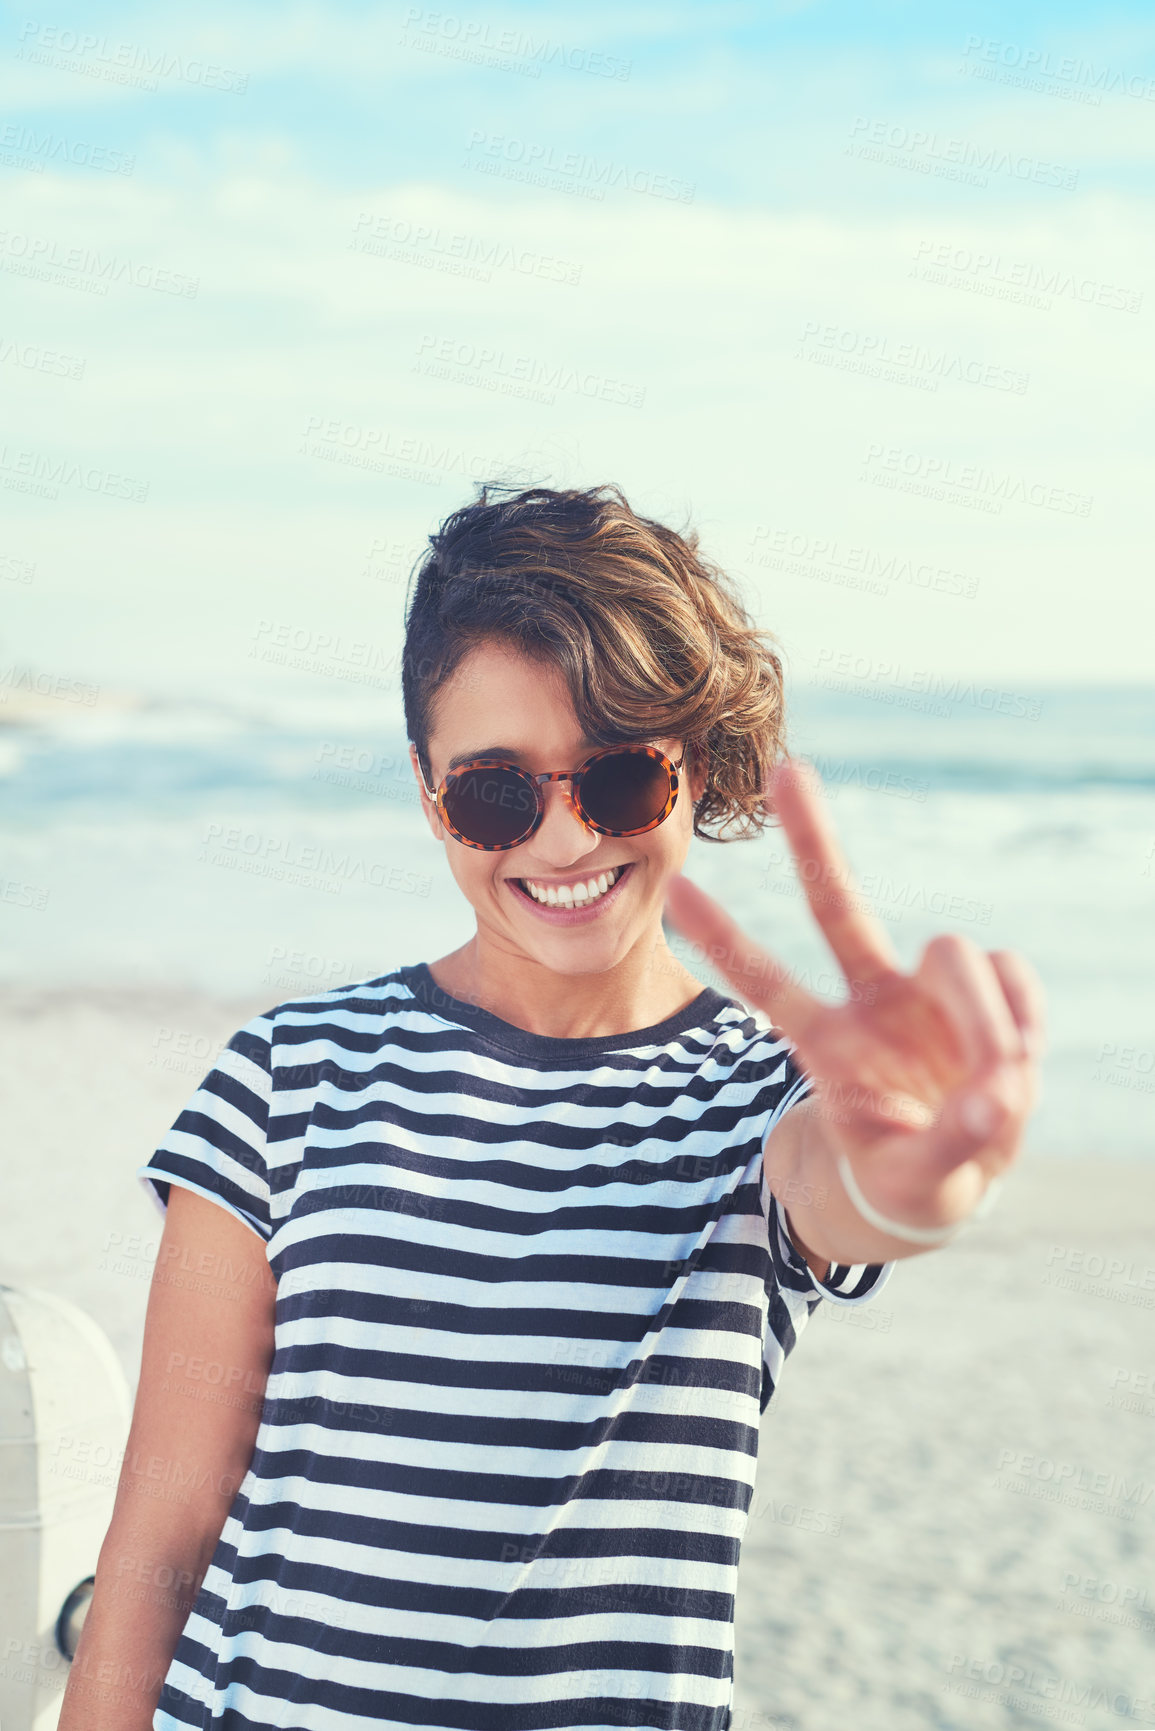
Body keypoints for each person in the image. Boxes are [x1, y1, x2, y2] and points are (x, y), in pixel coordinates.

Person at [58, 483, 1042, 1731]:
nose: (566, 841)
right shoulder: (285, 1077)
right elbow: (165, 1530)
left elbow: (855, 1191)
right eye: (496, 792)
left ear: (692, 771)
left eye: (619, 780)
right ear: (427, 789)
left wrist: (919, 1169)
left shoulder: (752, 1103)